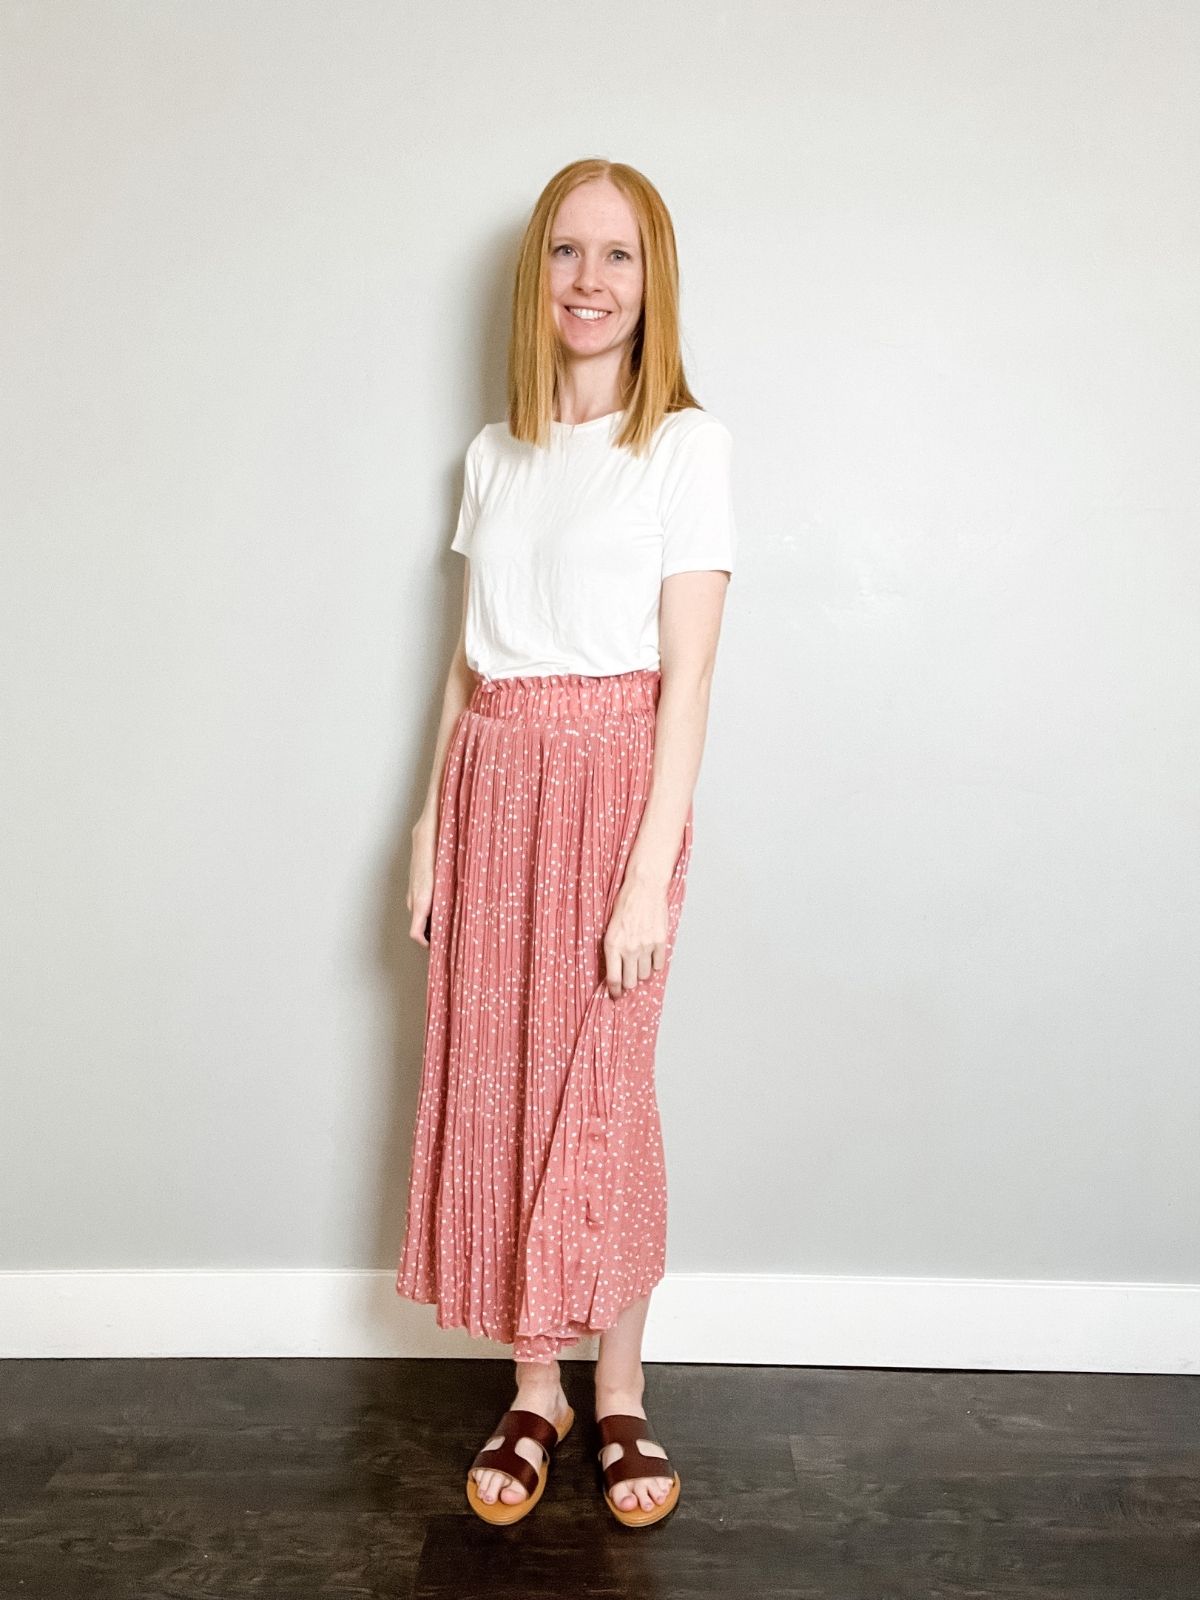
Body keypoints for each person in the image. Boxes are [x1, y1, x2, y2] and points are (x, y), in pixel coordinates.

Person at [395, 157, 737, 1529]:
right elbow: (465, 662)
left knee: (603, 1090)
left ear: (654, 285)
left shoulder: (687, 448)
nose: (589, 284)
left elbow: (692, 677)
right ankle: (533, 1386)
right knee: (503, 1081)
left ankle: (622, 1388)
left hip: (614, 784)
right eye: (566, 255)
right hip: (494, 776)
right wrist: (428, 822)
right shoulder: (494, 453)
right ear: (537, 278)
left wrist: (651, 865)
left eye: (619, 258)